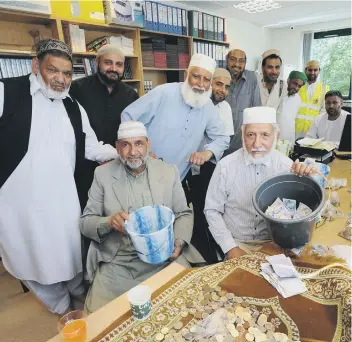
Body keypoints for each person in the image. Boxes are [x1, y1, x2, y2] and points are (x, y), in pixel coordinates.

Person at [0, 39, 118, 315]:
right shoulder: (7, 91)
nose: (60, 80)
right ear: (35, 66)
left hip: (64, 198)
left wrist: (123, 152)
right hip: (18, 204)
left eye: (67, 74)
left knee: (69, 250)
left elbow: (91, 146)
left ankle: (77, 289)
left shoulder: (73, 106)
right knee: (31, 255)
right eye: (53, 71)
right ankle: (60, 305)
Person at [80, 121, 204, 313]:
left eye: (138, 144)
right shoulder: (102, 174)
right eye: (125, 145)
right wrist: (108, 222)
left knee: (191, 307)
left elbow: (183, 213)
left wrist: (178, 244)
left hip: (163, 257)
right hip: (120, 262)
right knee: (99, 321)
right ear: (117, 147)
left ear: (148, 145)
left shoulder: (168, 171)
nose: (132, 152)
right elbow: (86, 222)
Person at [204, 107, 322, 259]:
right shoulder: (225, 166)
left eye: (265, 135)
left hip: (276, 244)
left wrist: (309, 181)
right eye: (251, 135)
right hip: (237, 243)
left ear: (276, 137)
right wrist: (230, 247)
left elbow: (309, 213)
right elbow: (212, 210)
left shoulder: (287, 166)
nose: (257, 143)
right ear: (242, 135)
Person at [121, 53, 229, 188]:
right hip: (142, 172)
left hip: (176, 180)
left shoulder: (207, 107)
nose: (201, 84)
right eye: (196, 76)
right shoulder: (164, 92)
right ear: (186, 75)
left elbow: (222, 138)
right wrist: (140, 150)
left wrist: (208, 153)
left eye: (206, 79)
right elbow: (128, 116)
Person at [70, 44, 139, 209]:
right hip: (85, 167)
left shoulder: (131, 95)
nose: (113, 68)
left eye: (119, 64)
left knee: (116, 210)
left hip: (119, 165)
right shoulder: (76, 89)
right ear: (97, 63)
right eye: (108, 62)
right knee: (87, 211)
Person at [190, 68, 234, 264]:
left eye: (226, 86)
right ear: (209, 83)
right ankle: (202, 253)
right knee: (196, 209)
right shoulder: (196, 103)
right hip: (189, 164)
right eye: (218, 84)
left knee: (210, 208)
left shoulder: (225, 108)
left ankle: (214, 251)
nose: (222, 90)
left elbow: (226, 139)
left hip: (211, 165)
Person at [225, 49, 261, 154]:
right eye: (233, 59)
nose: (237, 64)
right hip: (220, 143)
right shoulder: (219, 77)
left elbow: (256, 109)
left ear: (245, 63)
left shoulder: (252, 78)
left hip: (242, 144)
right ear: (226, 60)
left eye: (241, 61)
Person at [296, 60, 329, 138]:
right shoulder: (298, 86)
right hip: (297, 128)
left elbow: (324, 110)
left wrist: (318, 127)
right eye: (310, 70)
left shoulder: (324, 88)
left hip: (313, 130)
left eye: (315, 70)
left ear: (319, 71)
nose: (312, 73)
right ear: (305, 70)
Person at [278, 71, 307, 143]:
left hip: (289, 139)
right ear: (288, 80)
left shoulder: (298, 99)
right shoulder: (277, 94)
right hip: (274, 137)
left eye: (299, 86)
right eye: (295, 84)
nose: (296, 88)